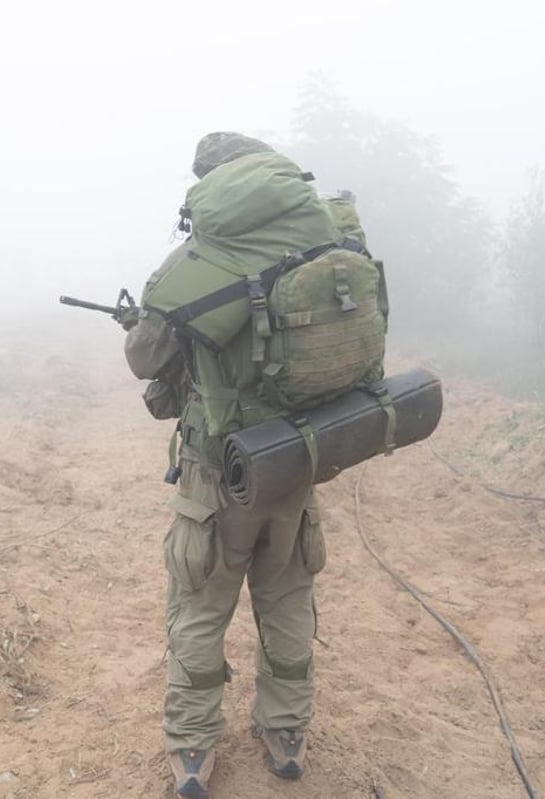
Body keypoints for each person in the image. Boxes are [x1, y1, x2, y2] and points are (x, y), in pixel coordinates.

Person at [124, 132, 381, 798]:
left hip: (220, 473)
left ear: (211, 186)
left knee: (202, 603)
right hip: (298, 461)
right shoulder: (329, 234)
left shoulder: (197, 262)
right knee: (289, 596)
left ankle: (192, 748)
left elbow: (144, 359)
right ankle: (286, 733)